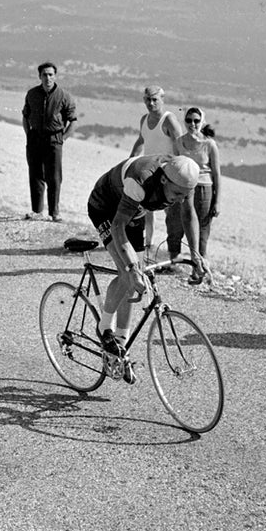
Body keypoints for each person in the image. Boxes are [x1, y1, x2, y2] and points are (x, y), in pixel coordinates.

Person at [87, 154, 204, 354]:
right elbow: (117, 226)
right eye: (177, 194)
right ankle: (104, 327)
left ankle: (121, 341)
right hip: (106, 207)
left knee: (136, 280)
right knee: (128, 272)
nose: (180, 200)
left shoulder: (184, 180)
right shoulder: (140, 179)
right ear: (164, 180)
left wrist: (196, 254)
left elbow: (188, 213)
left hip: (134, 211)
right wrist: (131, 267)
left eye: (185, 195)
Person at [129, 85, 189, 263]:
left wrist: (177, 171)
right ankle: (147, 246)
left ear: (162, 100)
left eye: (155, 99)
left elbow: (180, 145)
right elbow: (142, 139)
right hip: (149, 171)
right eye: (148, 99)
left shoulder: (169, 120)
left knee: (172, 214)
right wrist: (131, 159)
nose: (151, 103)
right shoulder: (144, 119)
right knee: (146, 209)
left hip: (168, 172)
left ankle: (174, 255)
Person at [21, 62, 77, 222]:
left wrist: (63, 139)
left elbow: (73, 121)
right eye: (44, 74)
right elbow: (25, 116)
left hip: (54, 140)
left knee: (54, 177)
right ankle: (36, 210)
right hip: (35, 139)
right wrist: (29, 135)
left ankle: (54, 213)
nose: (48, 78)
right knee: (35, 174)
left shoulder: (64, 96)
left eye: (51, 74)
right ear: (39, 76)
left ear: (55, 76)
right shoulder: (32, 94)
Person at [174, 107, 221, 266]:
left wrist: (217, 201)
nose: (192, 124)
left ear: (202, 122)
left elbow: (216, 174)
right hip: (183, 188)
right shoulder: (179, 142)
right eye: (188, 120)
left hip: (203, 189)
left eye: (196, 120)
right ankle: (174, 264)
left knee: (202, 231)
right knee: (177, 225)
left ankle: (200, 268)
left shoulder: (209, 144)